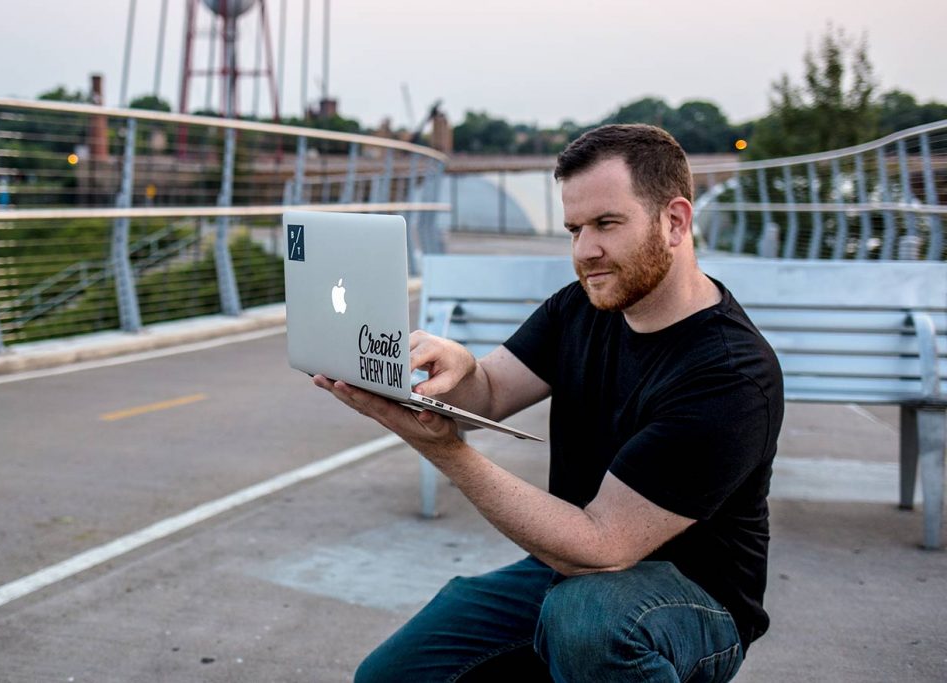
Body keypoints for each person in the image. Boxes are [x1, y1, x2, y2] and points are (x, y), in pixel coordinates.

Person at [314, 123, 784, 682]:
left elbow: (602, 546)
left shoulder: (729, 375)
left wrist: (446, 452)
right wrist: (455, 368)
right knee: (393, 675)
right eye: (574, 228)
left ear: (676, 221)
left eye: (606, 224)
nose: (586, 251)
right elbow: (488, 391)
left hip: (691, 601)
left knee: (589, 622)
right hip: (571, 572)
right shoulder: (584, 306)